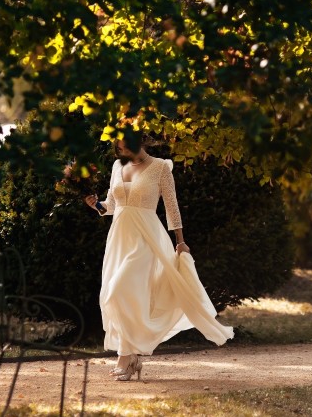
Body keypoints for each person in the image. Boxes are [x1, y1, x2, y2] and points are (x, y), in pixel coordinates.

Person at [84, 133, 233, 381]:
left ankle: (125, 356)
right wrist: (96, 205)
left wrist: (181, 242)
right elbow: (111, 205)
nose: (123, 151)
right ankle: (132, 358)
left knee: (117, 291)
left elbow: (171, 207)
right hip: (119, 237)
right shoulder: (116, 167)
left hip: (146, 238)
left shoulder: (161, 167)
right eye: (119, 147)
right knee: (116, 296)